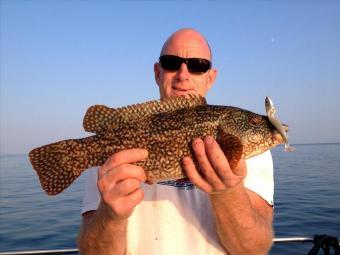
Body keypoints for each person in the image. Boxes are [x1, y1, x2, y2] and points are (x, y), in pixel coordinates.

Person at [77, 28, 274, 255]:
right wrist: (109, 217)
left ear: (211, 77)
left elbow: (255, 250)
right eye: (171, 62)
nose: (183, 75)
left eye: (198, 65)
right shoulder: (111, 156)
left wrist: (228, 193)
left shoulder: (253, 154)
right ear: (157, 73)